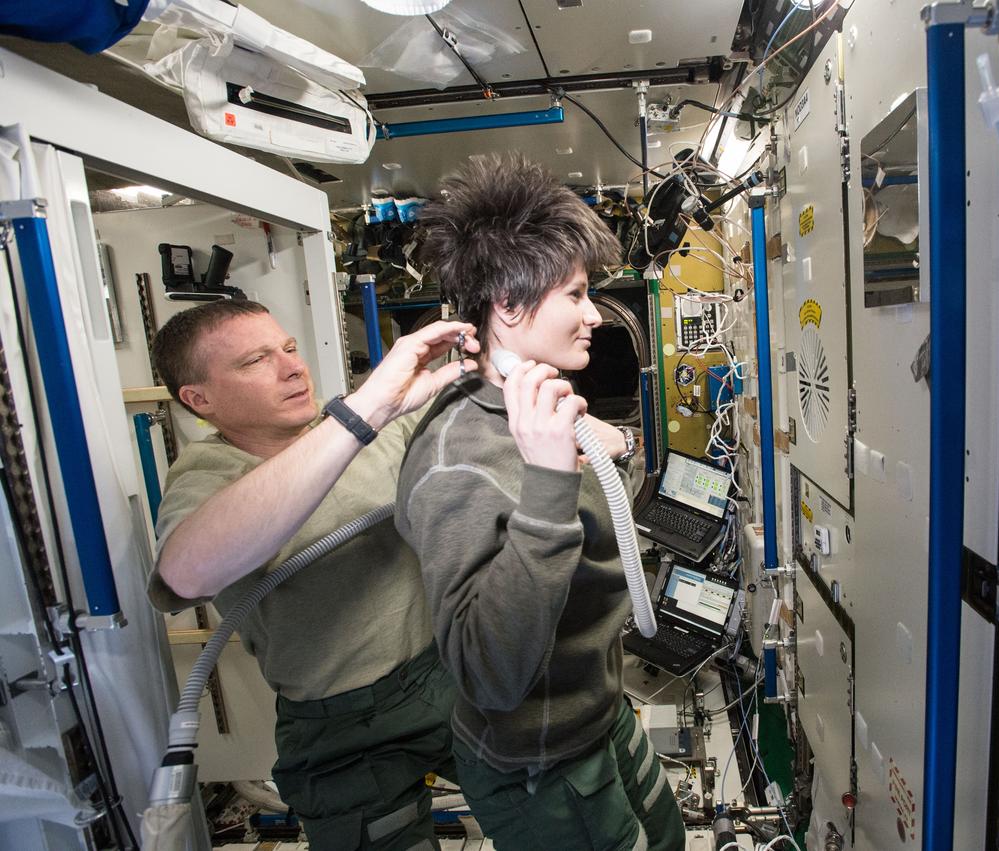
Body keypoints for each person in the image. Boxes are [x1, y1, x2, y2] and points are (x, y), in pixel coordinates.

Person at [395, 153, 684, 851]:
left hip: (598, 715)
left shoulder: (539, 407)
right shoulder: (457, 460)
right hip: (539, 763)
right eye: (577, 294)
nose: (593, 314)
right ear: (509, 304)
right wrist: (552, 482)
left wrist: (603, 448)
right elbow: (489, 674)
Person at [147, 298, 479, 850]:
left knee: (560, 799)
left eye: (290, 348)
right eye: (255, 361)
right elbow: (187, 575)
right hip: (343, 724)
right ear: (199, 399)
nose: (293, 367)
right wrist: (361, 412)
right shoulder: (210, 472)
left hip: (442, 672)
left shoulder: (360, 422)